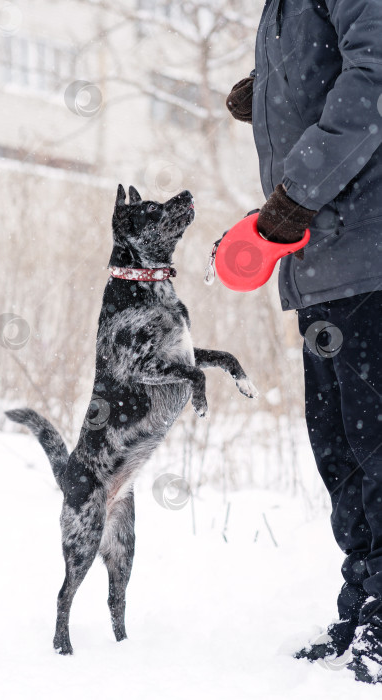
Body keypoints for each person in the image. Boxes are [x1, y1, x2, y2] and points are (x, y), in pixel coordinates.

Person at [226, 0, 382, 684]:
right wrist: (266, 93)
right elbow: (329, 72)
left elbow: (373, 77)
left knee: (376, 444)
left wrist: (295, 193)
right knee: (340, 447)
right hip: (320, 267)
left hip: (369, 255)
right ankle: (364, 604)